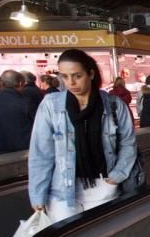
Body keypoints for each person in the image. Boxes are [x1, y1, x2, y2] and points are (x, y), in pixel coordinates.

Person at [28, 49, 137, 223]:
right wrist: (37, 194)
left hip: (104, 187)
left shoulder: (114, 105)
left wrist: (116, 177)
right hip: (61, 192)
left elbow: (128, 143)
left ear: (91, 74)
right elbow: (41, 152)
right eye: (64, 76)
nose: (71, 82)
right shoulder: (51, 105)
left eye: (77, 76)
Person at [0, 70, 34, 154]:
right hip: (24, 146)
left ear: (1, 83)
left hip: (1, 146)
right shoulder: (25, 101)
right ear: (21, 83)